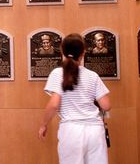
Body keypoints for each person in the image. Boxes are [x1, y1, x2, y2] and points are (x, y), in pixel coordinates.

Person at [38, 33, 111, 164]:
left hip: (71, 130)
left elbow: (54, 104)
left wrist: (43, 124)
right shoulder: (92, 75)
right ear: (83, 53)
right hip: (95, 131)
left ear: (62, 51)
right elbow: (106, 105)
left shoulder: (57, 74)